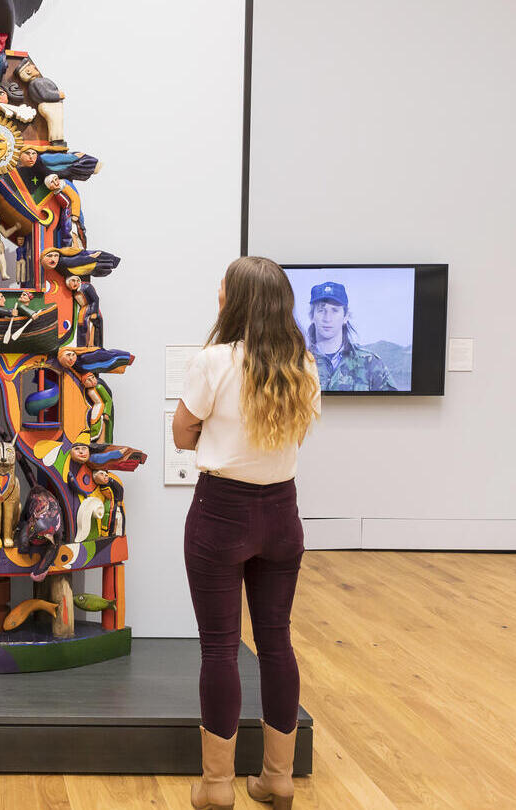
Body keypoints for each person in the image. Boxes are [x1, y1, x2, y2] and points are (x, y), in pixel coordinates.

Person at [172, 256, 321, 810]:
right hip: (282, 513)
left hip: (220, 512)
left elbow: (184, 434)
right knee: (277, 641)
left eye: (223, 286)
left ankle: (216, 787)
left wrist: (213, 430)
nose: (217, 292)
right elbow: (295, 437)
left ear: (234, 301)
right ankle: (277, 779)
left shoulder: (213, 361)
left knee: (219, 648)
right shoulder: (303, 363)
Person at [305, 281, 396, 391]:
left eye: (335, 310)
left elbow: (391, 406)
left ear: (345, 316)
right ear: (312, 316)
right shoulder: (296, 363)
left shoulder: (370, 363)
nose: (327, 318)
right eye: (321, 310)